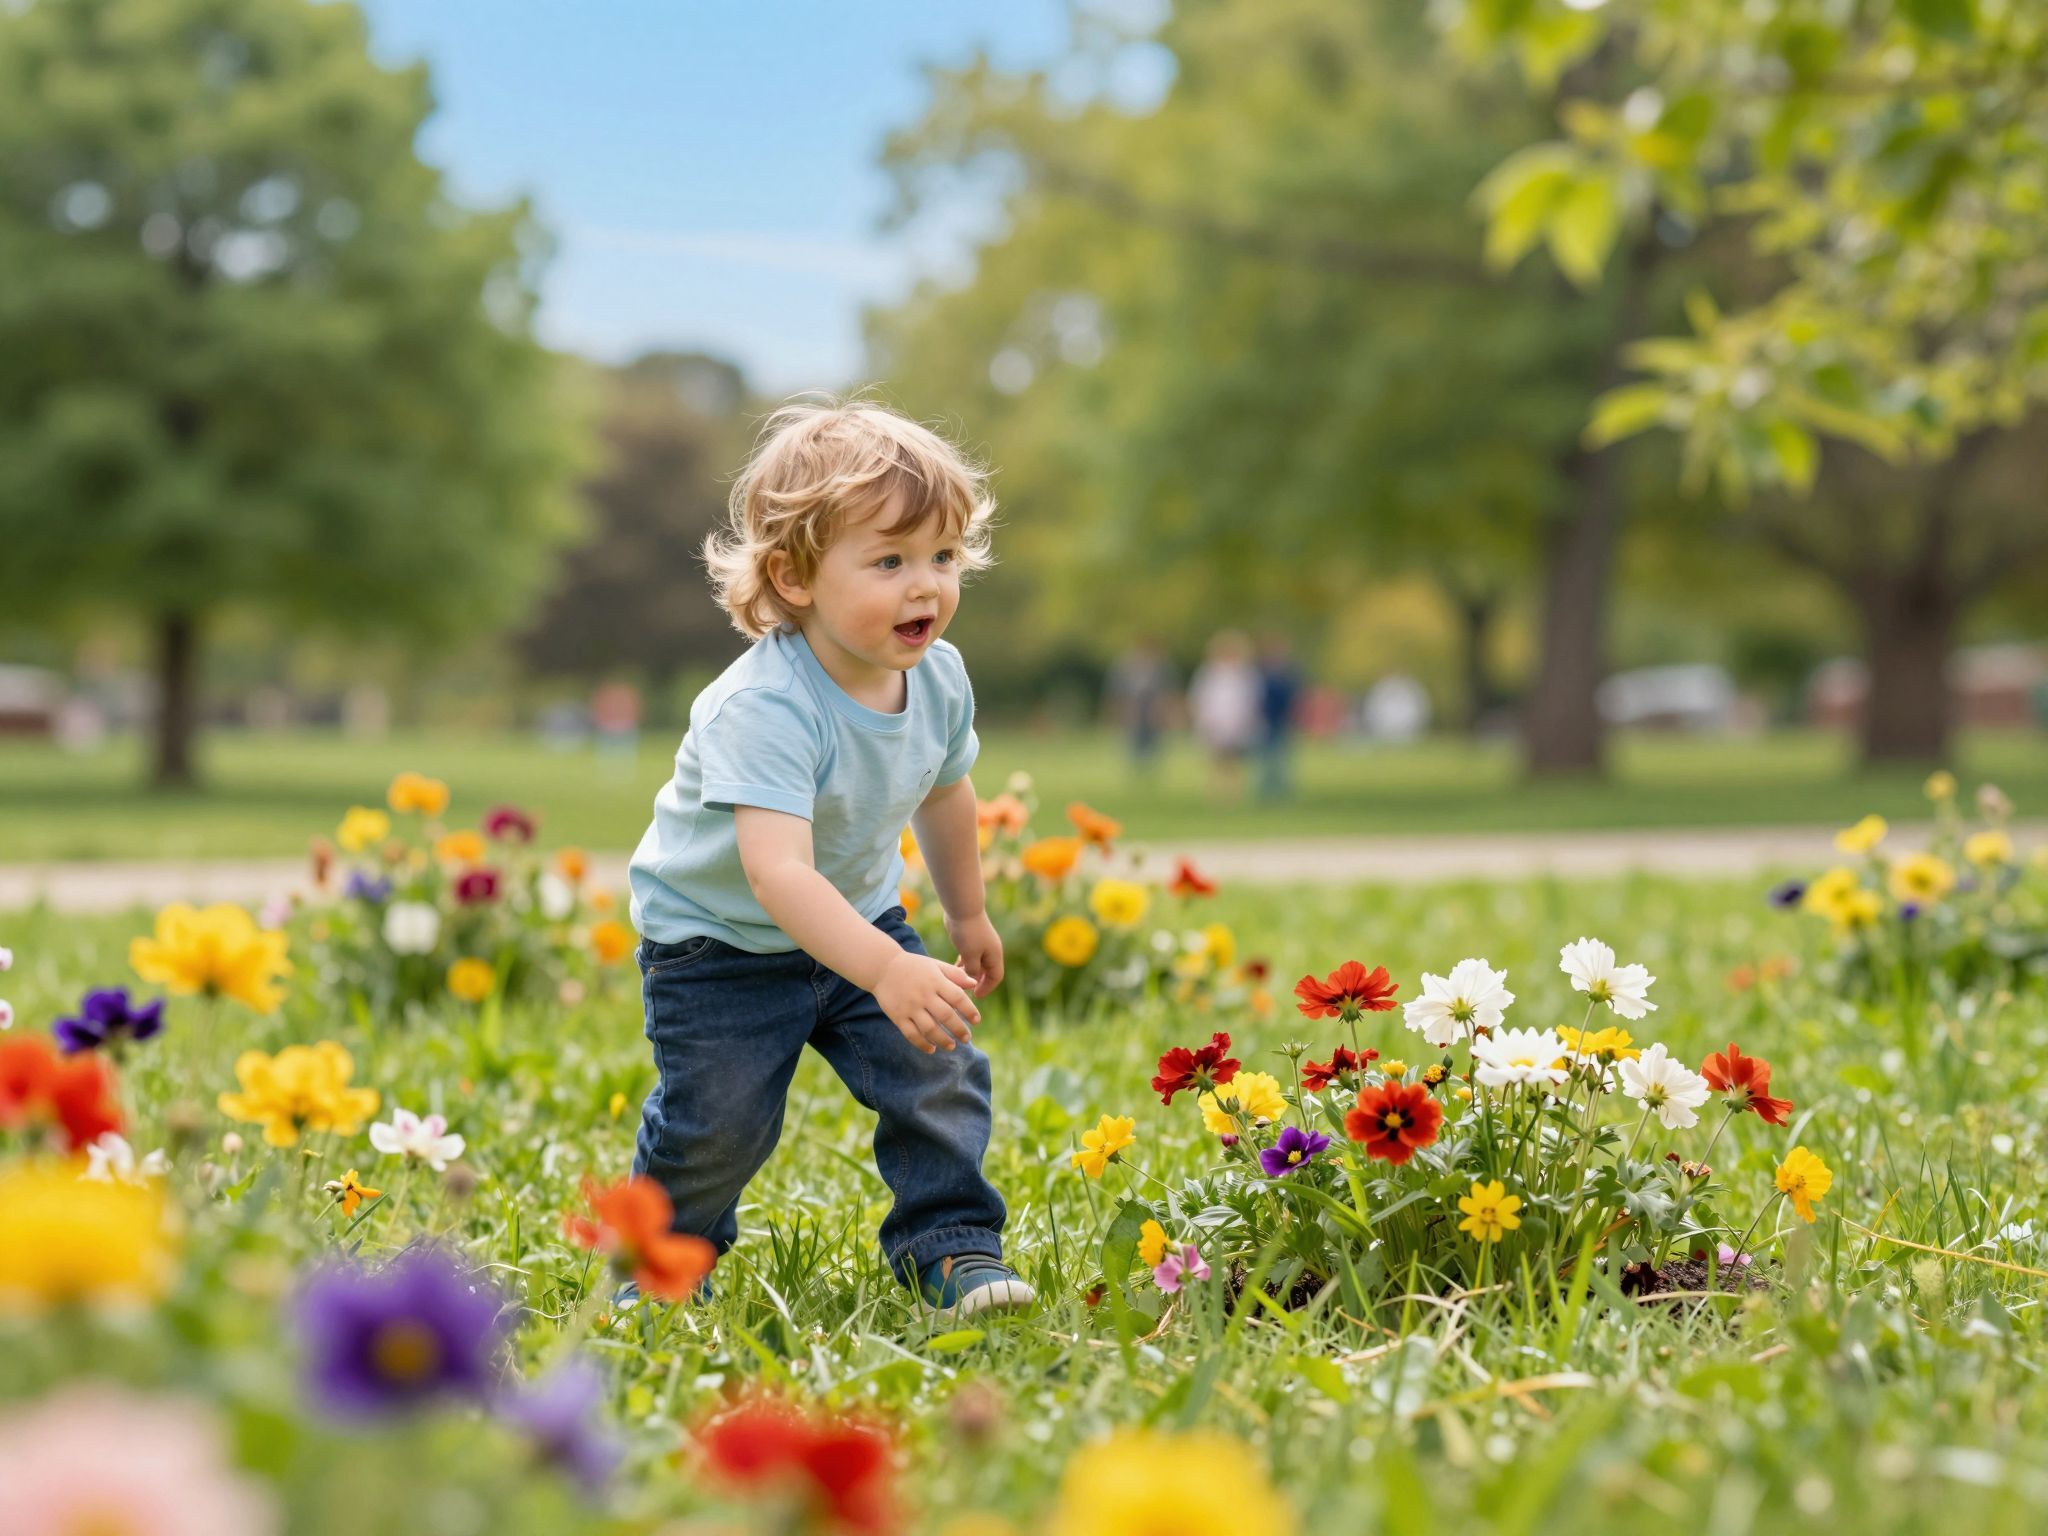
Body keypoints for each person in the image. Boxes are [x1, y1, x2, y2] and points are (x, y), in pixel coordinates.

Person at [625, 398, 1031, 1318]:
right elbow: (778, 875)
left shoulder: (939, 678)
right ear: (795, 577)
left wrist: (964, 916)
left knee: (938, 1073)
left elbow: (944, 789)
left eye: (943, 556)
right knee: (717, 1125)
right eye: (889, 561)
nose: (924, 585)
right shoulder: (765, 706)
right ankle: (658, 1265)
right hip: (718, 947)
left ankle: (953, 1249)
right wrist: (887, 967)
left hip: (856, 918)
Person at [1188, 629, 1261, 801]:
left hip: (1237, 722)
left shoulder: (1246, 673)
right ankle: (1216, 793)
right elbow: (1200, 697)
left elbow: (1252, 699)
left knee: (1234, 761)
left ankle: (1233, 794)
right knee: (1216, 759)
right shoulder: (1209, 672)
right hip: (1214, 721)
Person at [1105, 636, 1176, 776]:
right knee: (1133, 742)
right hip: (1133, 711)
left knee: (1153, 744)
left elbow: (1168, 692)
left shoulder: (1161, 668)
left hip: (1153, 711)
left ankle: (1150, 769)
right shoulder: (1125, 667)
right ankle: (1137, 769)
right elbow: (1117, 692)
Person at [1255, 631, 1301, 802]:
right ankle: (1266, 790)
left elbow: (1294, 696)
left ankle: (1281, 790)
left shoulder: (1288, 672)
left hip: (1282, 720)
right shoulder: (1261, 672)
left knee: (1281, 757)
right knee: (1265, 758)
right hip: (1265, 720)